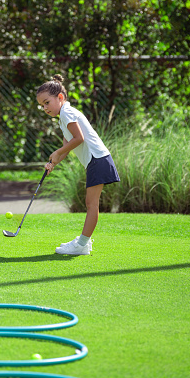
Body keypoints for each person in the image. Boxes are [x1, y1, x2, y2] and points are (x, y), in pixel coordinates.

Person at [37, 74, 120, 256]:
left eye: (47, 103)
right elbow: (68, 145)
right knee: (91, 203)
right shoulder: (64, 115)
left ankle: (82, 244)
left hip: (97, 159)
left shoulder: (67, 113)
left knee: (91, 204)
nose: (44, 108)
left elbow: (79, 138)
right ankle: (84, 242)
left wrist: (58, 152)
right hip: (96, 160)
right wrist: (54, 162)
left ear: (60, 97)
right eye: (42, 105)